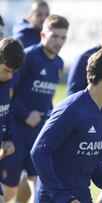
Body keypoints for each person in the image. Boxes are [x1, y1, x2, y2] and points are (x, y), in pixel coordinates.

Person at [30, 46, 102, 203]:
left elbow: (90, 160)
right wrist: (62, 196)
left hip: (81, 195)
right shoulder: (72, 109)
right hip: (54, 198)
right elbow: (39, 152)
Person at [0, 15, 69, 203]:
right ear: (43, 34)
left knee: (38, 186)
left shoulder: (58, 64)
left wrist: (50, 115)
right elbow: (9, 94)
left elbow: (47, 98)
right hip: (16, 132)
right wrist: (25, 114)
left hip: (38, 135)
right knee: (8, 193)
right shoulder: (28, 57)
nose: (59, 42)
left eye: (63, 37)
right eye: (55, 36)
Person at [0, 38, 26, 203]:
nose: (9, 76)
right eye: (6, 70)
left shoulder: (11, 81)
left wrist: (8, 139)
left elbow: (7, 111)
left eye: (13, 72)